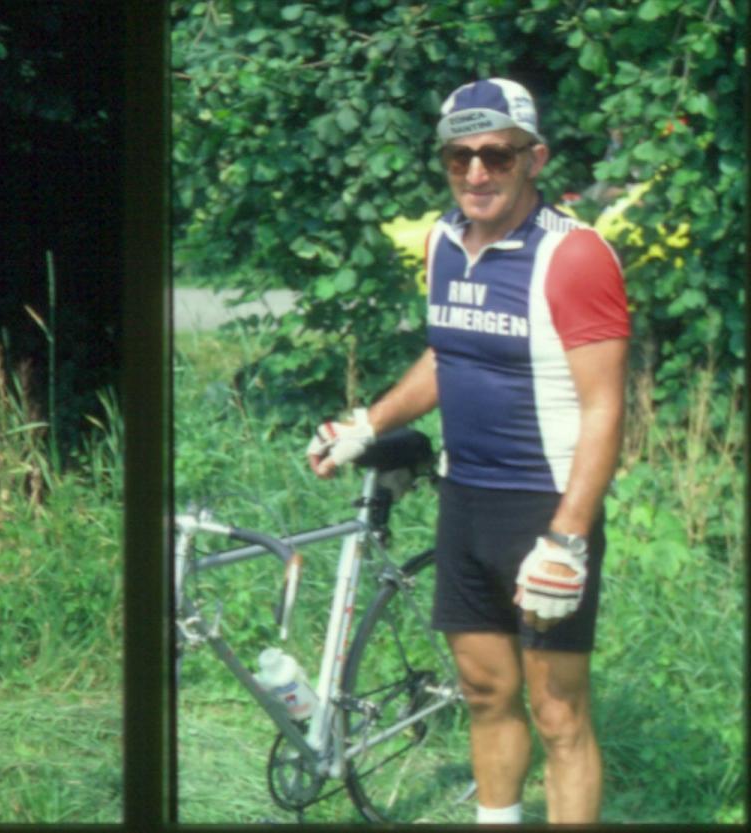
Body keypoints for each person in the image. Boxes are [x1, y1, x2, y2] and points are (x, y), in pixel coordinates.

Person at [307, 78, 628, 824]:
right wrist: (367, 424)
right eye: (459, 157)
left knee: (559, 713)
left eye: (496, 155)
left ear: (534, 159)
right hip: (465, 499)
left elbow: (606, 406)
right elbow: (448, 354)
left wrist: (568, 537)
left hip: (543, 509)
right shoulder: (445, 241)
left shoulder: (574, 256)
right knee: (484, 693)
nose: (476, 173)